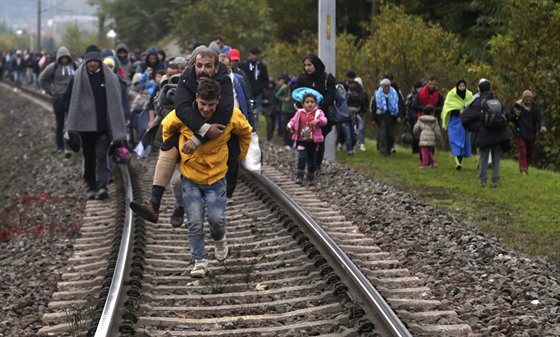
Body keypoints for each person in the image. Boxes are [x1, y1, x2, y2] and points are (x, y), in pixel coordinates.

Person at [129, 46, 234, 223]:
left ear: (215, 67)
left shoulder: (224, 80)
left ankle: (221, 196)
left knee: (230, 149)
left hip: (217, 132)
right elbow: (182, 108)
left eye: (207, 66)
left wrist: (199, 137)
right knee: (169, 147)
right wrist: (201, 131)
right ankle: (154, 202)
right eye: (198, 65)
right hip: (192, 130)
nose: (202, 69)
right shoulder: (187, 77)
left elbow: (224, 113)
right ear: (193, 64)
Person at [162, 78, 252, 277]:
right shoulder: (184, 115)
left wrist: (240, 155)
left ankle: (219, 239)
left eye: (211, 105)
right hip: (190, 176)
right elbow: (166, 127)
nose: (206, 109)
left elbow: (246, 131)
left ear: (219, 101)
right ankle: (200, 260)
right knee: (194, 221)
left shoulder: (230, 116)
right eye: (203, 104)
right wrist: (173, 151)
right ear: (196, 99)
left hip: (216, 176)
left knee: (216, 219)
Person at [63, 45, 129, 200]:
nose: (92, 64)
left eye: (95, 61)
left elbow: (118, 98)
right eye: (89, 61)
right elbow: (66, 98)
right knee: (89, 156)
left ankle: (102, 187)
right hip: (85, 128)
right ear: (85, 61)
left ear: (99, 61)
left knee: (101, 156)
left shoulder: (110, 78)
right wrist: (76, 112)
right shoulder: (77, 77)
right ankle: (91, 185)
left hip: (104, 127)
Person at [461, 79, 511, 188]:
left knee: (483, 159)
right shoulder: (498, 101)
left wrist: (475, 127)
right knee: (496, 159)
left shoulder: (477, 102)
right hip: (499, 135)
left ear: (479, 89)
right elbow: (508, 115)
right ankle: (495, 181)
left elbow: (464, 117)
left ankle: (482, 182)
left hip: (484, 135)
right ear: (490, 88)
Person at [294, 54, 337, 172]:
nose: (307, 68)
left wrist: (320, 105)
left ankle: (316, 164)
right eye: (305, 65)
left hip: (321, 115)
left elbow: (332, 94)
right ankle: (307, 161)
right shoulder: (302, 79)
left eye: (310, 65)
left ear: (316, 65)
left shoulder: (326, 78)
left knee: (318, 138)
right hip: (305, 116)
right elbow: (297, 93)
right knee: (305, 138)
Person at [38, 46, 76, 155]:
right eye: (62, 58)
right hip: (58, 98)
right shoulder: (53, 67)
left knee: (71, 124)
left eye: (66, 58)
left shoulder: (74, 66)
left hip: (72, 99)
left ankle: (69, 145)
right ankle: (60, 146)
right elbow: (42, 78)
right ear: (59, 57)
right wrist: (50, 91)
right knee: (60, 124)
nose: (64, 60)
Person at [287, 91, 328, 186]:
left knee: (312, 161)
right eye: (307, 102)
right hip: (302, 141)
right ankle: (300, 175)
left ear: (315, 103)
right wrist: (289, 126)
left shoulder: (318, 113)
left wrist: (318, 121)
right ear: (303, 104)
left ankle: (310, 177)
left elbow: (325, 121)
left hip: (313, 142)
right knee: (302, 157)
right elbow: (293, 121)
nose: (310, 104)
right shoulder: (299, 113)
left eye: (312, 102)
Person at [510, 90, 547, 174]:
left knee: (529, 153)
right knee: (523, 151)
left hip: (531, 134)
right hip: (520, 133)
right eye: (526, 99)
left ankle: (526, 166)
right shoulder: (517, 107)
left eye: (530, 99)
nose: (528, 101)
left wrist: (542, 125)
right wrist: (516, 115)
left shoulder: (535, 108)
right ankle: (523, 169)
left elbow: (540, 118)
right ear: (523, 99)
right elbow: (510, 118)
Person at [441, 79, 474, 170]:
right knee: (454, 140)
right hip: (454, 121)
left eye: (464, 86)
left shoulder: (469, 94)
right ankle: (457, 161)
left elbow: (472, 106)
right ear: (457, 86)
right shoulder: (451, 95)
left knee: (464, 141)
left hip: (465, 121)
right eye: (460, 86)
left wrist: (465, 111)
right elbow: (447, 108)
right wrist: (458, 111)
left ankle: (460, 161)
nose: (462, 88)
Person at [412, 76, 445, 165]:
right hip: (422, 118)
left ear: (436, 84)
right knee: (422, 140)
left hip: (433, 119)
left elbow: (442, 107)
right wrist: (425, 108)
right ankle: (422, 159)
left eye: (433, 84)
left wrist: (433, 109)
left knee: (431, 141)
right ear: (428, 83)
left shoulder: (439, 95)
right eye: (430, 84)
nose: (431, 86)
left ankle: (430, 160)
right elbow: (415, 106)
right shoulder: (420, 93)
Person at [239, 47, 269, 130]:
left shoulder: (262, 66)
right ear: (250, 54)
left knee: (256, 113)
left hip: (258, 93)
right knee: (246, 110)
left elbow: (265, 79)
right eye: (253, 54)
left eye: (256, 55)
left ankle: (254, 129)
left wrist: (260, 87)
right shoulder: (244, 65)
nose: (254, 56)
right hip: (247, 92)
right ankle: (246, 128)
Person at [373, 78, 401, 156]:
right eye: (384, 86)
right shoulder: (378, 94)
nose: (386, 88)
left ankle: (389, 148)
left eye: (387, 86)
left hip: (392, 116)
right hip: (381, 116)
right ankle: (383, 151)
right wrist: (373, 118)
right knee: (382, 134)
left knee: (391, 135)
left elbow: (398, 106)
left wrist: (398, 116)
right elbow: (374, 106)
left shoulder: (394, 94)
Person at [346, 81, 369, 152]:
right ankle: (353, 146)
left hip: (358, 114)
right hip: (352, 115)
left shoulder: (361, 95)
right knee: (354, 130)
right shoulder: (350, 96)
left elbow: (363, 105)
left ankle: (357, 145)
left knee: (357, 130)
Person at [276, 75, 297, 150]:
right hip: (286, 109)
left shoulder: (297, 90)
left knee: (293, 127)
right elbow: (277, 95)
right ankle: (286, 142)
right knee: (286, 126)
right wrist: (284, 99)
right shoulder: (285, 88)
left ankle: (291, 142)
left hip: (294, 110)